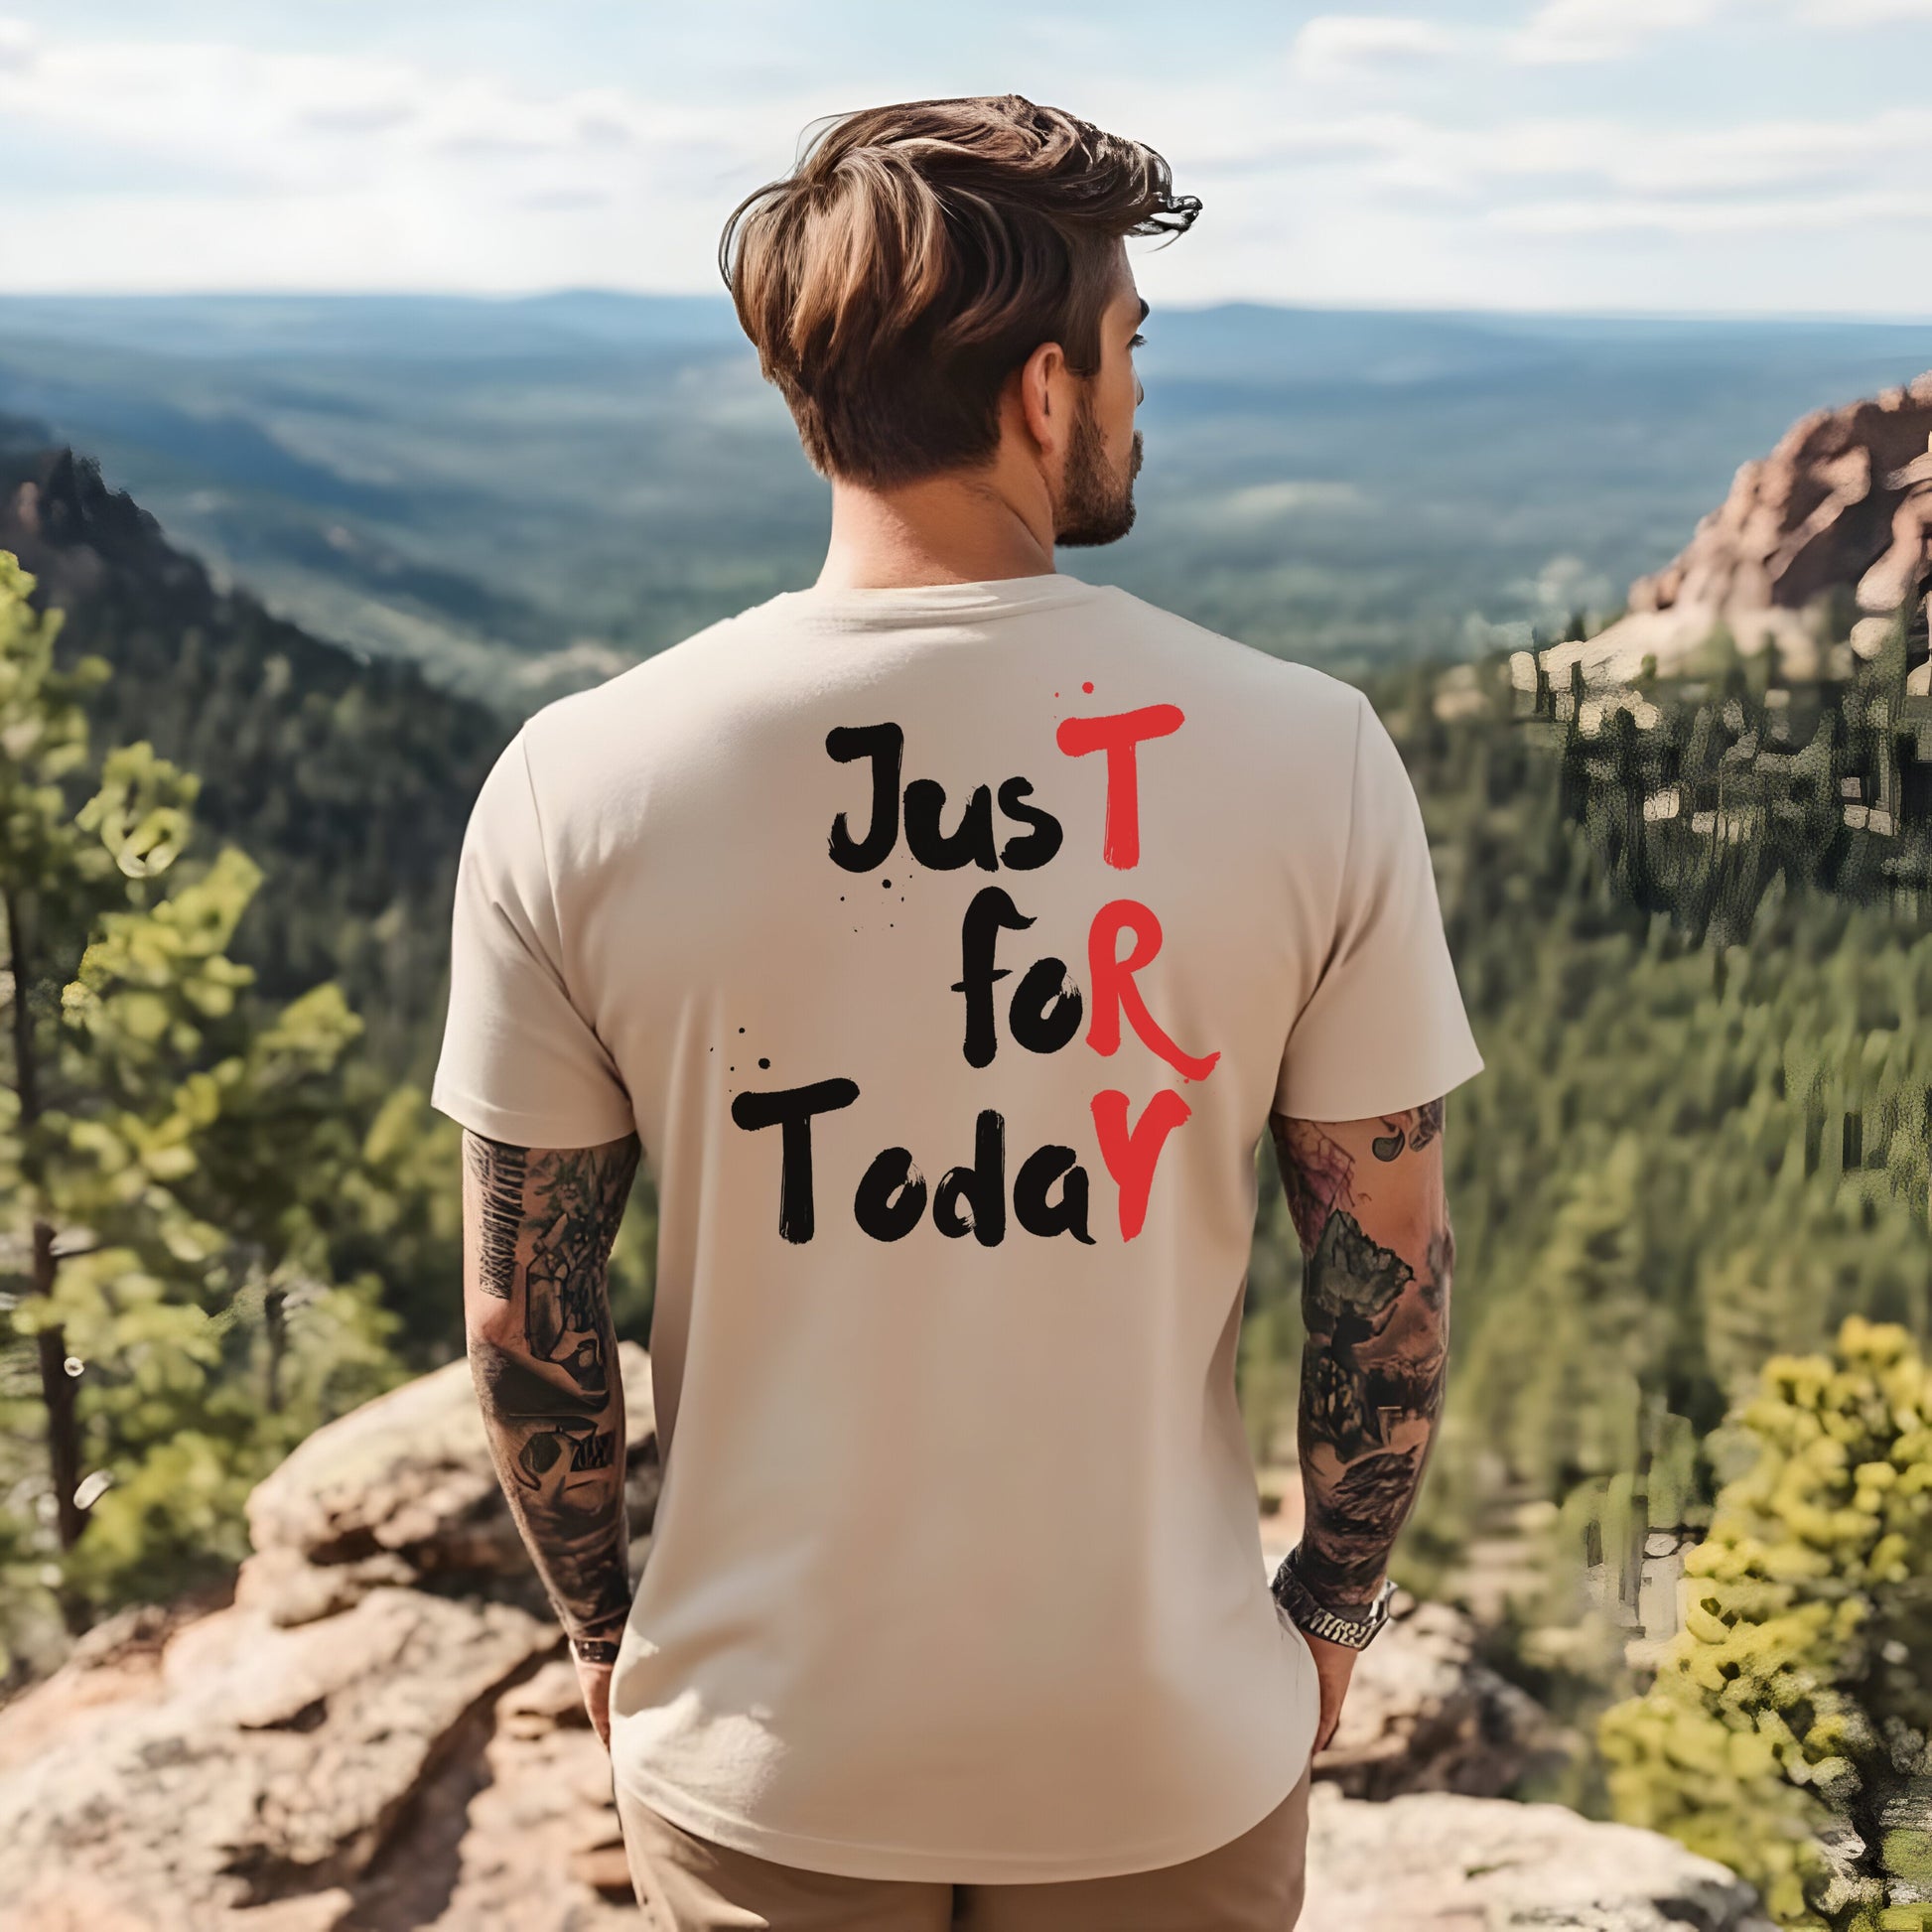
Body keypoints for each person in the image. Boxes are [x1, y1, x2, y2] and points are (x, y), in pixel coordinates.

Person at [434, 93, 1483, 1932]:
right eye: (1129, 343)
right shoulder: (1309, 755)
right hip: (1155, 1751)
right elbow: (1383, 1260)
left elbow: (530, 1306)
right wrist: (1326, 1611)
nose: (1135, 391)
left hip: (768, 1748)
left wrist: (606, 1632)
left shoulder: (575, 780)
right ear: (1045, 389)